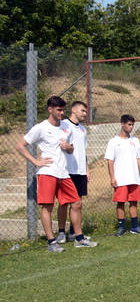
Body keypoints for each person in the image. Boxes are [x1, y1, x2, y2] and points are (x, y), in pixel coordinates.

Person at [15, 96, 97, 251]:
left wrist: (69, 147)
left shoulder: (65, 127)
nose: (61, 113)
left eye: (63, 109)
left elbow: (71, 148)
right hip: (48, 172)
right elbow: (20, 146)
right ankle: (52, 242)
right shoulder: (41, 127)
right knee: (48, 207)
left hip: (64, 173)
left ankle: (79, 238)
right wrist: (36, 162)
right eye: (59, 110)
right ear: (50, 109)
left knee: (77, 203)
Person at [105, 114, 140, 236]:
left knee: (134, 202)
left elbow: (139, 158)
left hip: (133, 178)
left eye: (133, 124)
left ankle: (135, 226)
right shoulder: (113, 142)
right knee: (121, 202)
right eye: (129, 124)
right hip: (120, 178)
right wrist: (112, 177)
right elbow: (110, 161)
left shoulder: (135, 140)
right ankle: (121, 227)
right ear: (122, 124)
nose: (131, 127)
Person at [57, 101, 90, 243]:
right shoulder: (64, 125)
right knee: (64, 203)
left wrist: (87, 169)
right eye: (82, 111)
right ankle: (61, 232)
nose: (84, 114)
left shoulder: (83, 129)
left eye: (85, 111)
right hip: (67, 170)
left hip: (80, 171)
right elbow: (60, 143)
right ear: (73, 110)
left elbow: (83, 151)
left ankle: (74, 232)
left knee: (77, 204)